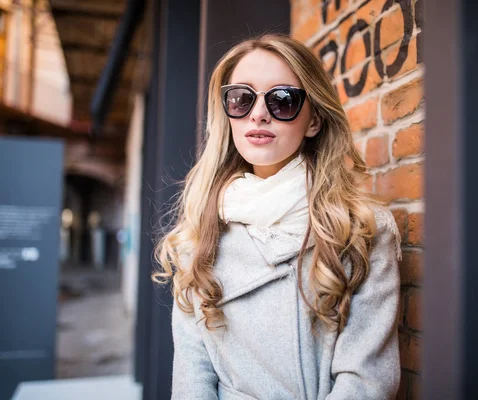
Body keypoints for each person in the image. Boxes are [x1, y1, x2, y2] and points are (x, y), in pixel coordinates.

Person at [153, 33, 403, 400]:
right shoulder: (200, 229)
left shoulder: (360, 228)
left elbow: (367, 381)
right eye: (241, 98)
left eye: (282, 100)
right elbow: (192, 374)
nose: (258, 113)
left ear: (314, 120)